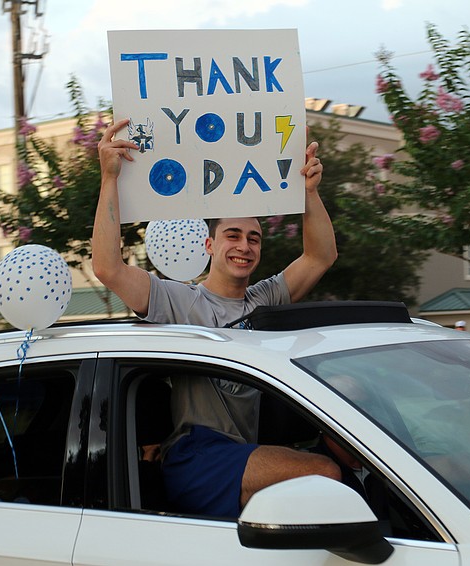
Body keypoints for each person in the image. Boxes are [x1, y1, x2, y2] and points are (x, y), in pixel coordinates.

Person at [93, 119, 341, 517]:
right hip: (197, 455)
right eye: (233, 235)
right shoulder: (180, 301)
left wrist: (309, 192)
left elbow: (320, 256)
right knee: (325, 472)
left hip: (245, 455)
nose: (244, 246)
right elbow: (108, 268)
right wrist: (110, 177)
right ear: (209, 244)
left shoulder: (266, 298)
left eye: (254, 238)